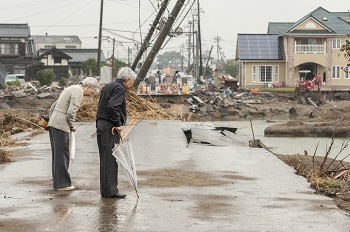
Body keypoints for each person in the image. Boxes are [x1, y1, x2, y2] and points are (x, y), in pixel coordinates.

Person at [48, 77, 100, 191]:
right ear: (89, 87)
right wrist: (72, 125)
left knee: (57, 155)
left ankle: (58, 182)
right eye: (92, 92)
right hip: (61, 125)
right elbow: (71, 112)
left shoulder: (70, 88)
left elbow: (52, 107)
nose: (90, 95)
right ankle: (63, 184)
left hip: (53, 123)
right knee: (62, 154)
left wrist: (50, 120)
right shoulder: (79, 91)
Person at [96, 67, 136, 198]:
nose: (132, 85)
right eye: (132, 81)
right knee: (111, 159)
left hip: (102, 124)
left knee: (105, 158)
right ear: (127, 79)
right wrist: (118, 124)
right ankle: (111, 191)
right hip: (109, 126)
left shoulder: (108, 86)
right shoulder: (119, 88)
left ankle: (106, 190)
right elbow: (113, 106)